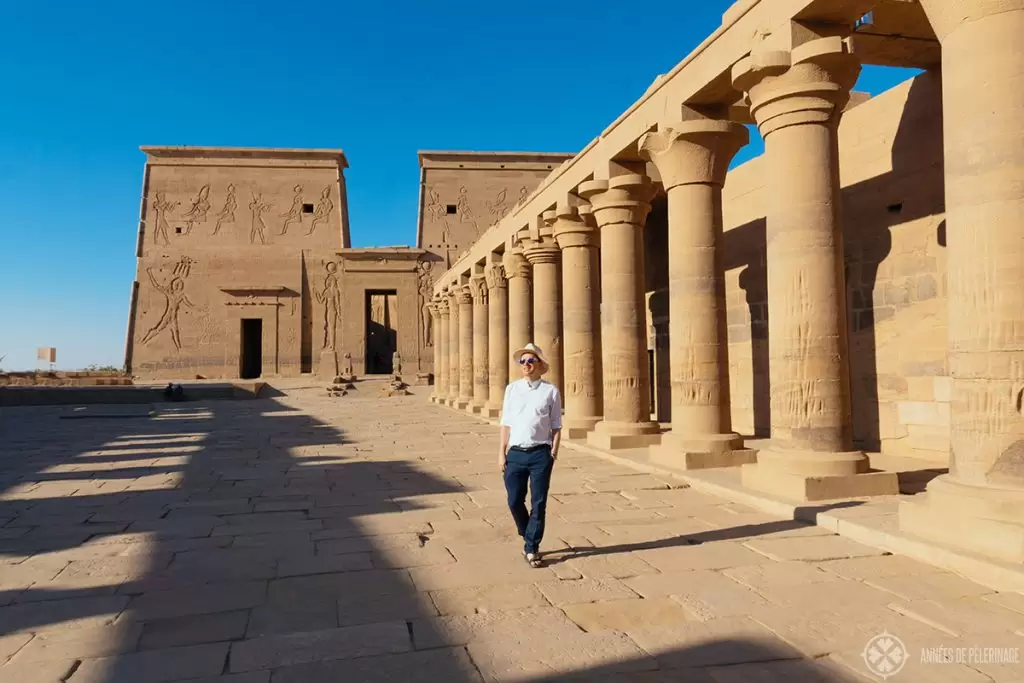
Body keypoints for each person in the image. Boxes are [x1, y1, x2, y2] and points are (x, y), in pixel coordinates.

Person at [498, 342, 562, 568]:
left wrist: (553, 452)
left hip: (540, 454)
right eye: (522, 361)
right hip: (515, 453)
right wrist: (501, 453)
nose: (525, 364)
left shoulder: (550, 391)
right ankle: (528, 532)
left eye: (530, 360)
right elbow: (506, 423)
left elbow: (556, 425)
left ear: (539, 364)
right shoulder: (512, 389)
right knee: (514, 500)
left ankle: (531, 547)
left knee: (539, 502)